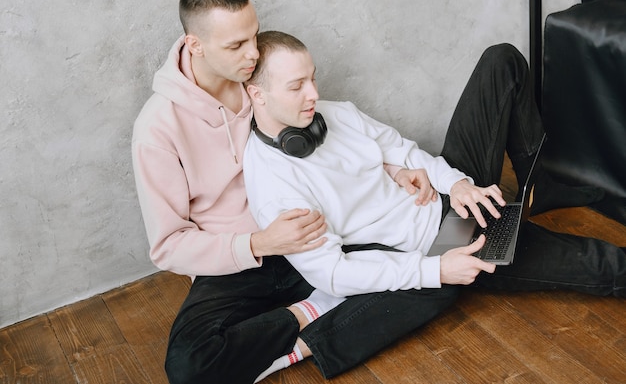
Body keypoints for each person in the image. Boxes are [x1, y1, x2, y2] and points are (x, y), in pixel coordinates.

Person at [132, 0, 461, 384]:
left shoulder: (257, 78)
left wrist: (390, 167)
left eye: (253, 36)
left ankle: (312, 320)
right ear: (194, 45)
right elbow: (168, 246)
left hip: (318, 237)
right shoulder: (157, 129)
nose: (252, 54)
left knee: (438, 264)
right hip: (238, 262)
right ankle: (311, 315)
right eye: (236, 45)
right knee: (189, 366)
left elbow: (332, 137)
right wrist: (258, 243)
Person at [243, 29, 626, 366]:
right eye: (297, 86)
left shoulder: (332, 114)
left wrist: (457, 184)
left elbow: (403, 150)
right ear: (257, 95)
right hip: (443, 249)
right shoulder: (276, 187)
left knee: (501, 59)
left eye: (312, 78)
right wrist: (436, 271)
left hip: (451, 200)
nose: (315, 94)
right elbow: (332, 273)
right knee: (602, 264)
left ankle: (540, 186)